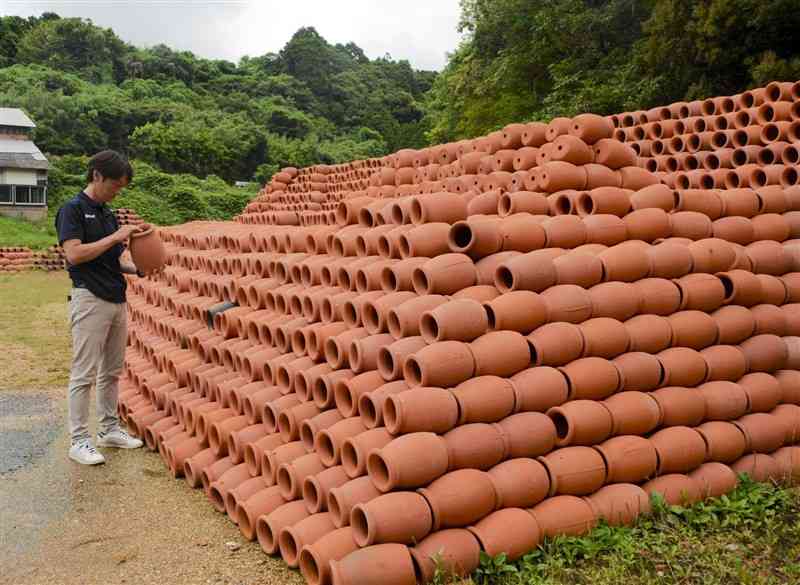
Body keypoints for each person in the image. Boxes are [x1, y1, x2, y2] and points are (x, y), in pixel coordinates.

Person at [56, 150, 145, 465]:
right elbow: (75, 254)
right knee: (84, 373)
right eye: (114, 185)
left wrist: (140, 268)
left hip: (116, 299)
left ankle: (108, 429)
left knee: (112, 372)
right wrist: (116, 237)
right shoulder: (72, 210)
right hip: (89, 298)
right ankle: (79, 440)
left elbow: (117, 257)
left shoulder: (108, 214)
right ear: (96, 175)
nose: (116, 191)